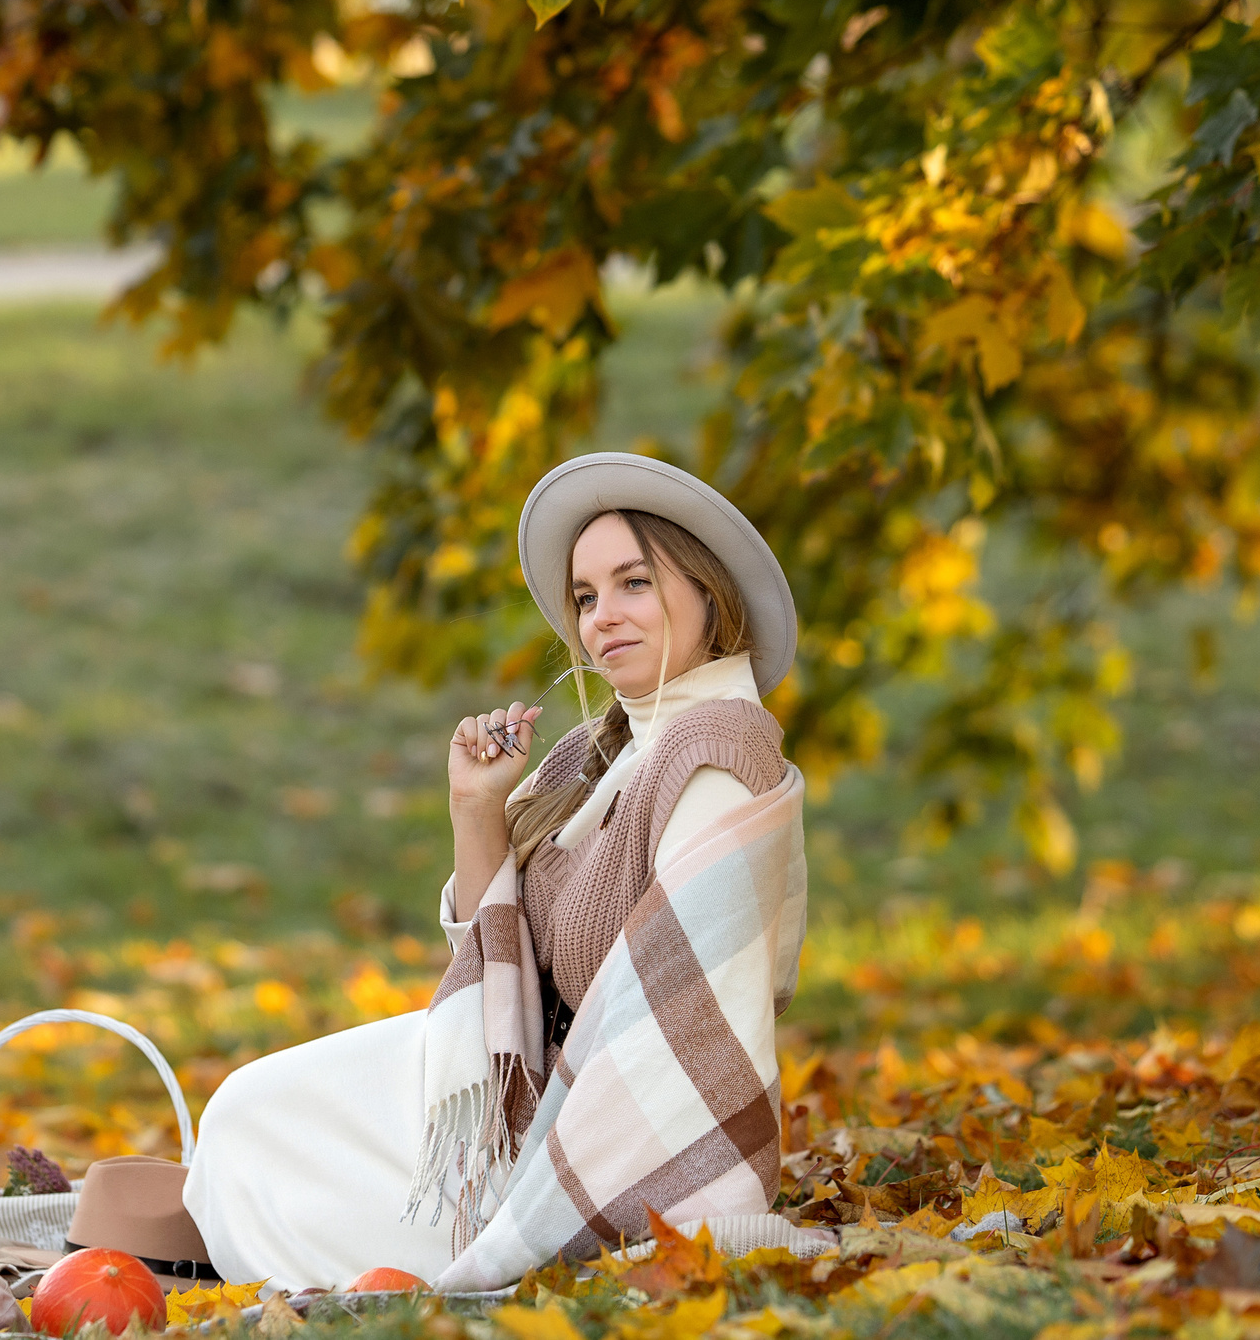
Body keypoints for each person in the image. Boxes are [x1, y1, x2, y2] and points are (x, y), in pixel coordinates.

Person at [181, 452, 821, 1291]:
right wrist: (476, 804)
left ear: (708, 591)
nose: (602, 617)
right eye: (585, 597)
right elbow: (494, 958)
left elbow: (683, 1020)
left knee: (253, 1133)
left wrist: (547, 1184)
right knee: (246, 1118)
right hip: (507, 1086)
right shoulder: (595, 751)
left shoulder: (717, 748)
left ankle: (356, 1275)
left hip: (586, 1135)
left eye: (633, 582)